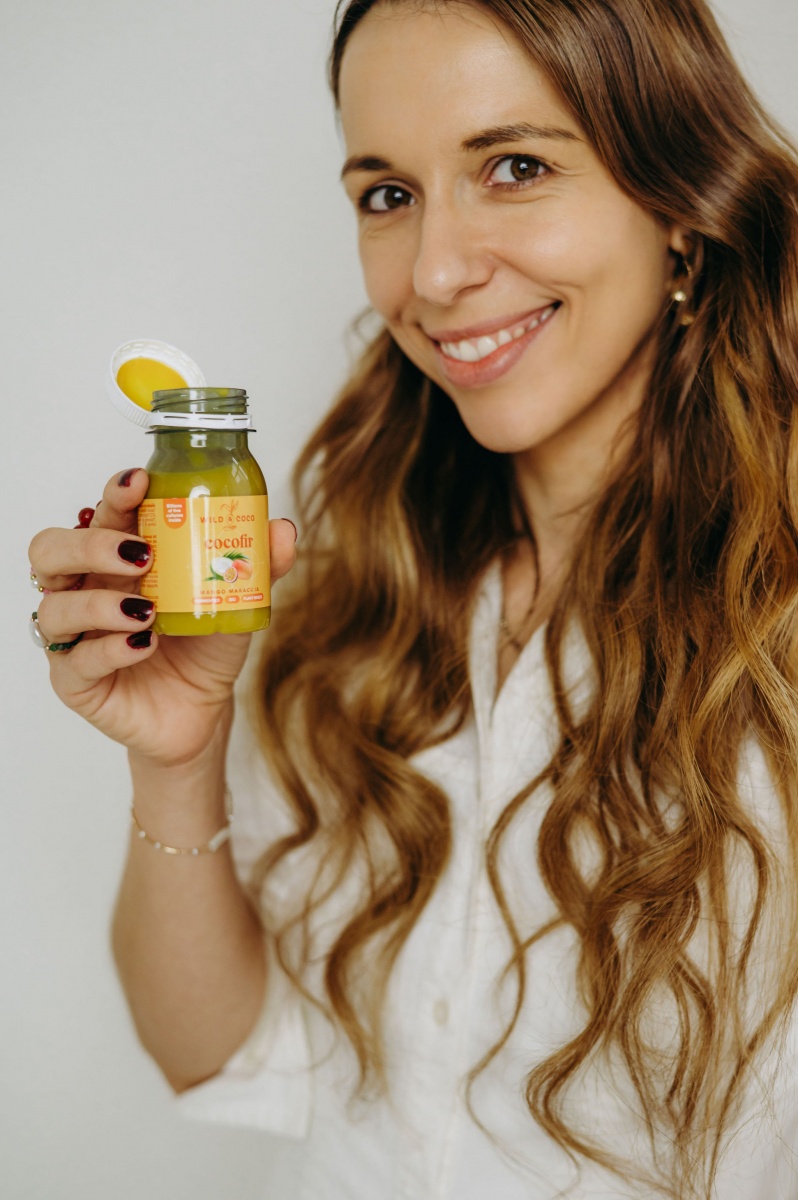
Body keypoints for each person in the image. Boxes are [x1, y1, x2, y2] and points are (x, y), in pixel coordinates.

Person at [28, 0, 798, 1196]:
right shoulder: (365, 592)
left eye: (516, 167)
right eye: (387, 194)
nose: (434, 274)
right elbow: (217, 1054)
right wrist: (178, 759)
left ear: (681, 210)